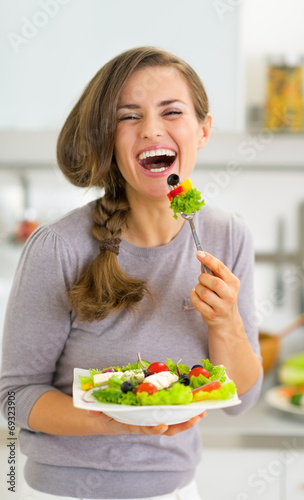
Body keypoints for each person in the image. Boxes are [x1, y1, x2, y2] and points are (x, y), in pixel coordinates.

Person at [0, 46, 263, 500]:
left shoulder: (227, 235)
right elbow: (12, 397)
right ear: (108, 138)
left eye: (172, 112)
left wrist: (226, 322)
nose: (151, 130)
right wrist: (110, 417)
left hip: (177, 490)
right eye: (129, 117)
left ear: (203, 130)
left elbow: (241, 398)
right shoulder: (59, 247)